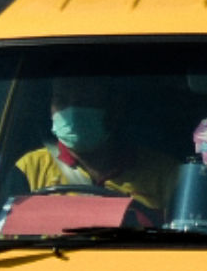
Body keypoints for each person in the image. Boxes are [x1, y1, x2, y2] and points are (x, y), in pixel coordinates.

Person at [13, 79, 171, 209]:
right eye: (61, 100)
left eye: (84, 101)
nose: (72, 112)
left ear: (114, 108)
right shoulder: (30, 168)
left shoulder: (165, 174)